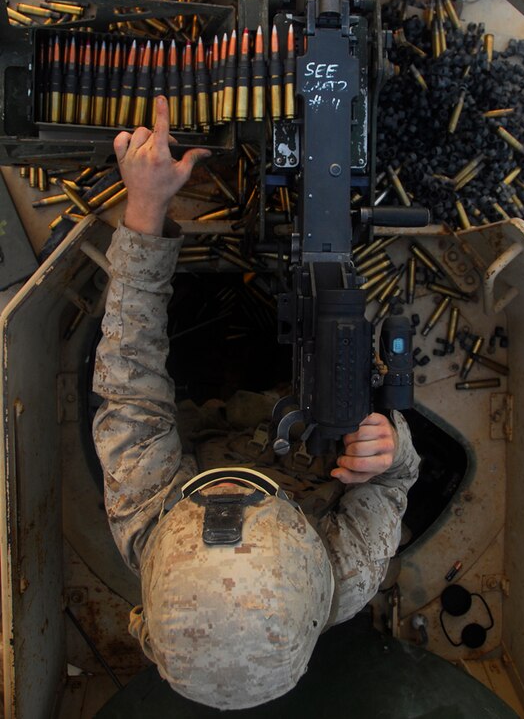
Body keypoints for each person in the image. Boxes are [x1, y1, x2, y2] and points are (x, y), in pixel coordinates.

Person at [92, 96, 420, 710]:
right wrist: (390, 449)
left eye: (211, 502)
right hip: (311, 439)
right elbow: (395, 486)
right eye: (251, 499)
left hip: (213, 412)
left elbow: (129, 373)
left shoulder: (145, 517)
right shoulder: (348, 573)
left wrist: (145, 204)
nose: (227, 492)